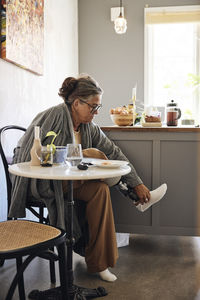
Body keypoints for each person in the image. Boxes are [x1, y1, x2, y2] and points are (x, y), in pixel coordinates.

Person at [9, 74, 167, 282]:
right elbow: (28, 153)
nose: (96, 112)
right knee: (94, 159)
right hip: (47, 183)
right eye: (93, 107)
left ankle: (99, 263)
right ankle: (132, 198)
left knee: (100, 188)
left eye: (98, 107)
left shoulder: (88, 127)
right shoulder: (53, 116)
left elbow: (113, 152)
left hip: (72, 182)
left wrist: (137, 182)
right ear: (76, 103)